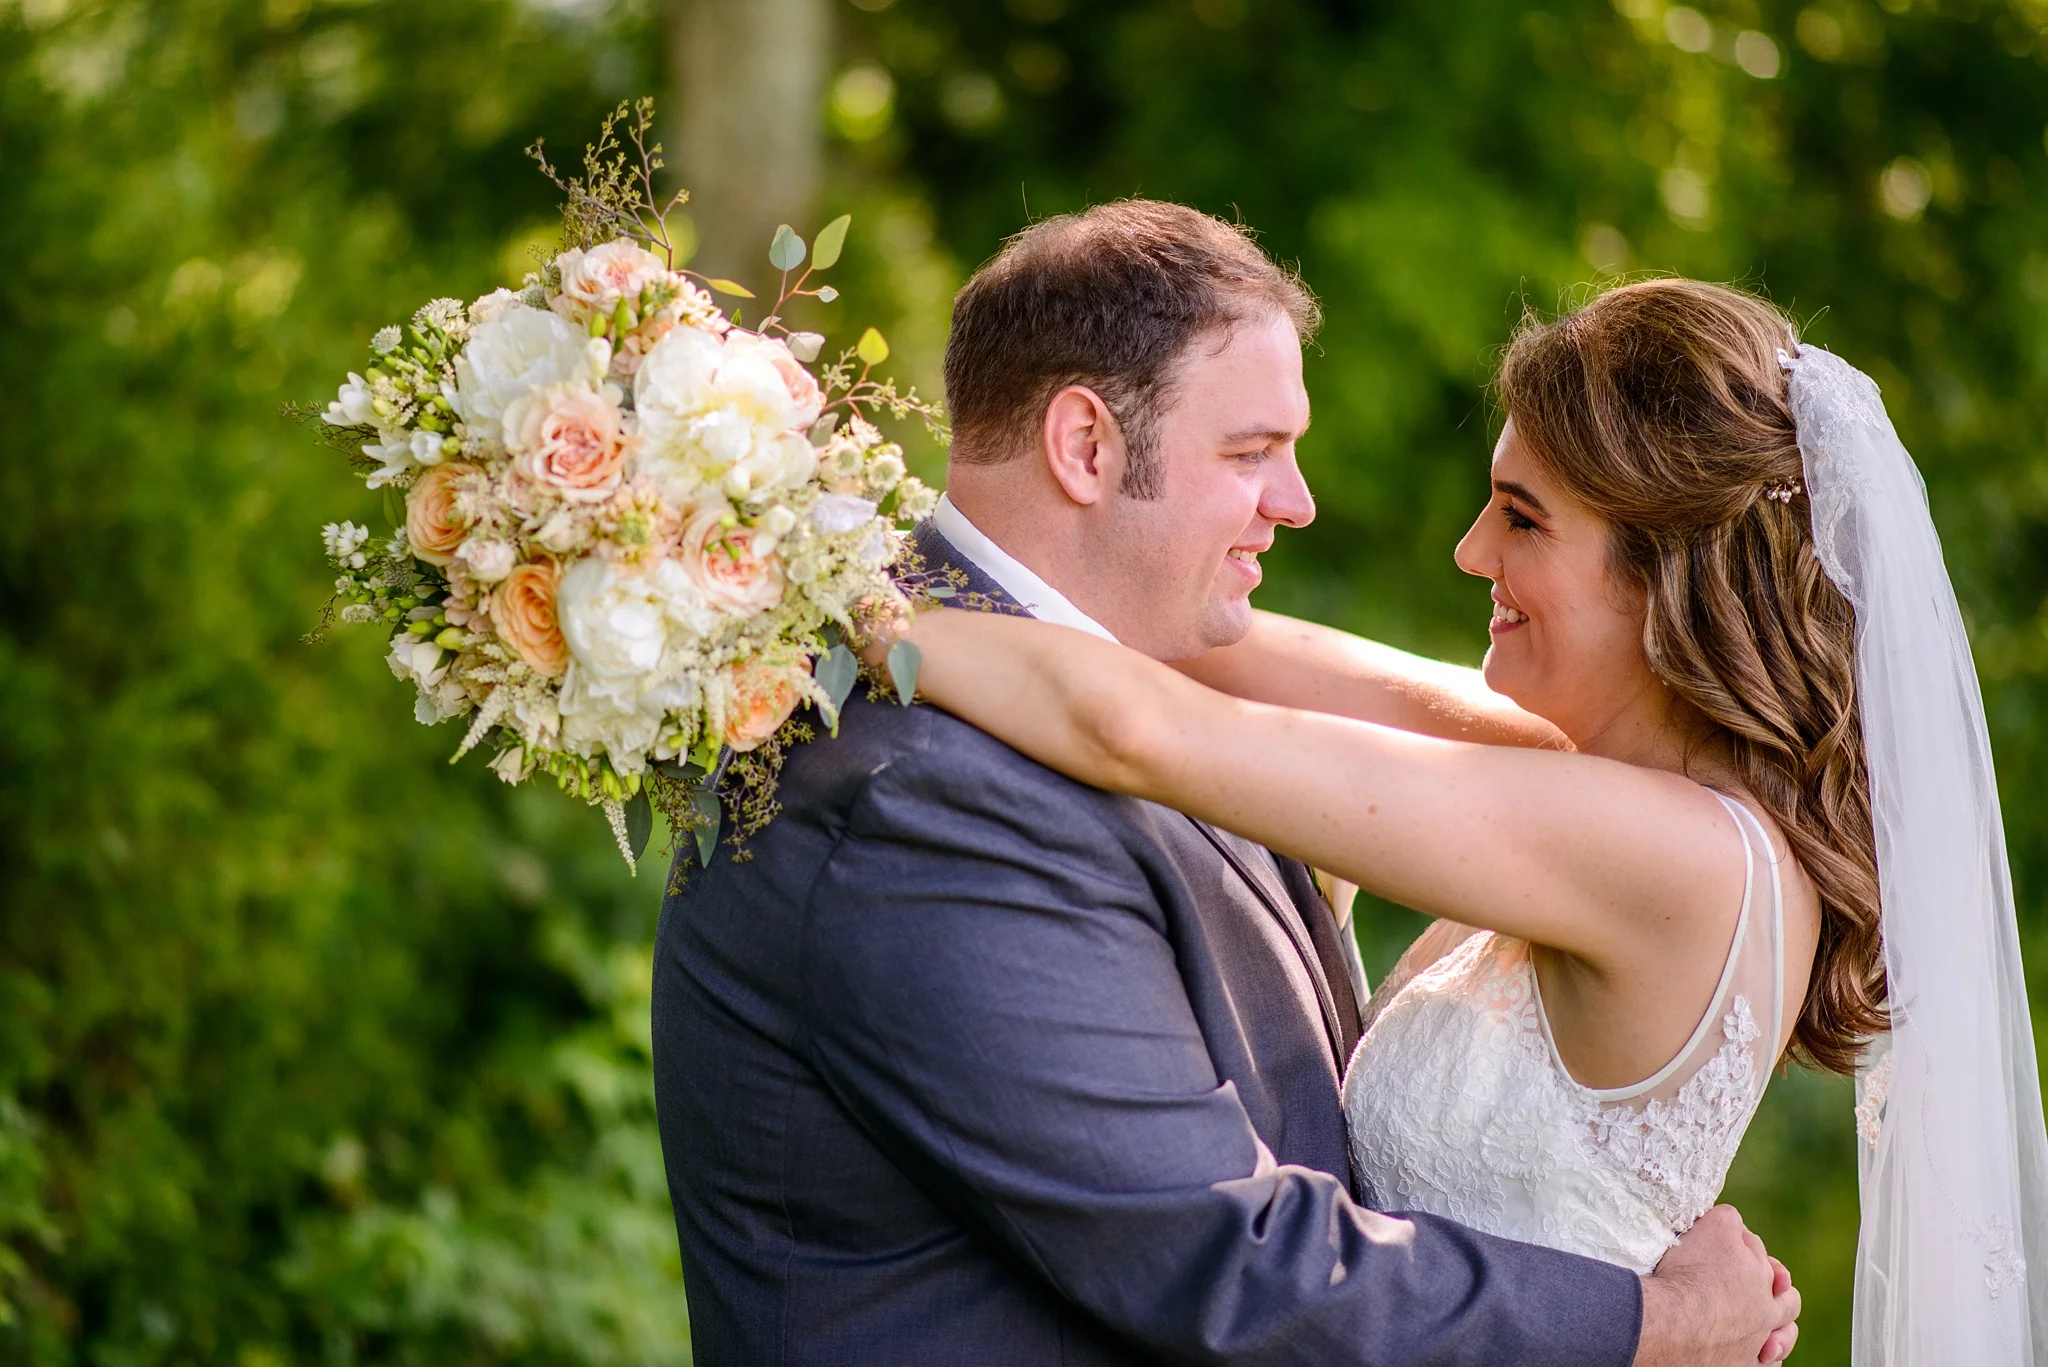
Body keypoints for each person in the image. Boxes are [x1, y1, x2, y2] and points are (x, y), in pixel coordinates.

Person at [651, 205, 1799, 1365]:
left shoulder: (1624, 822)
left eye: (1520, 517)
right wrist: (1653, 1325)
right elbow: (1225, 1258)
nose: (1295, 502)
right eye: (1250, 453)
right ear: (1086, 447)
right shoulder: (922, 790)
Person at [871, 276, 2048, 1364]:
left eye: (1522, 519)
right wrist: (842, 520)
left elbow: (1141, 729)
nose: (1469, 550)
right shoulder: (1586, 776)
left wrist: (825, 597)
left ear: (1670, 576)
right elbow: (1207, 640)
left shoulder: (1670, 853)